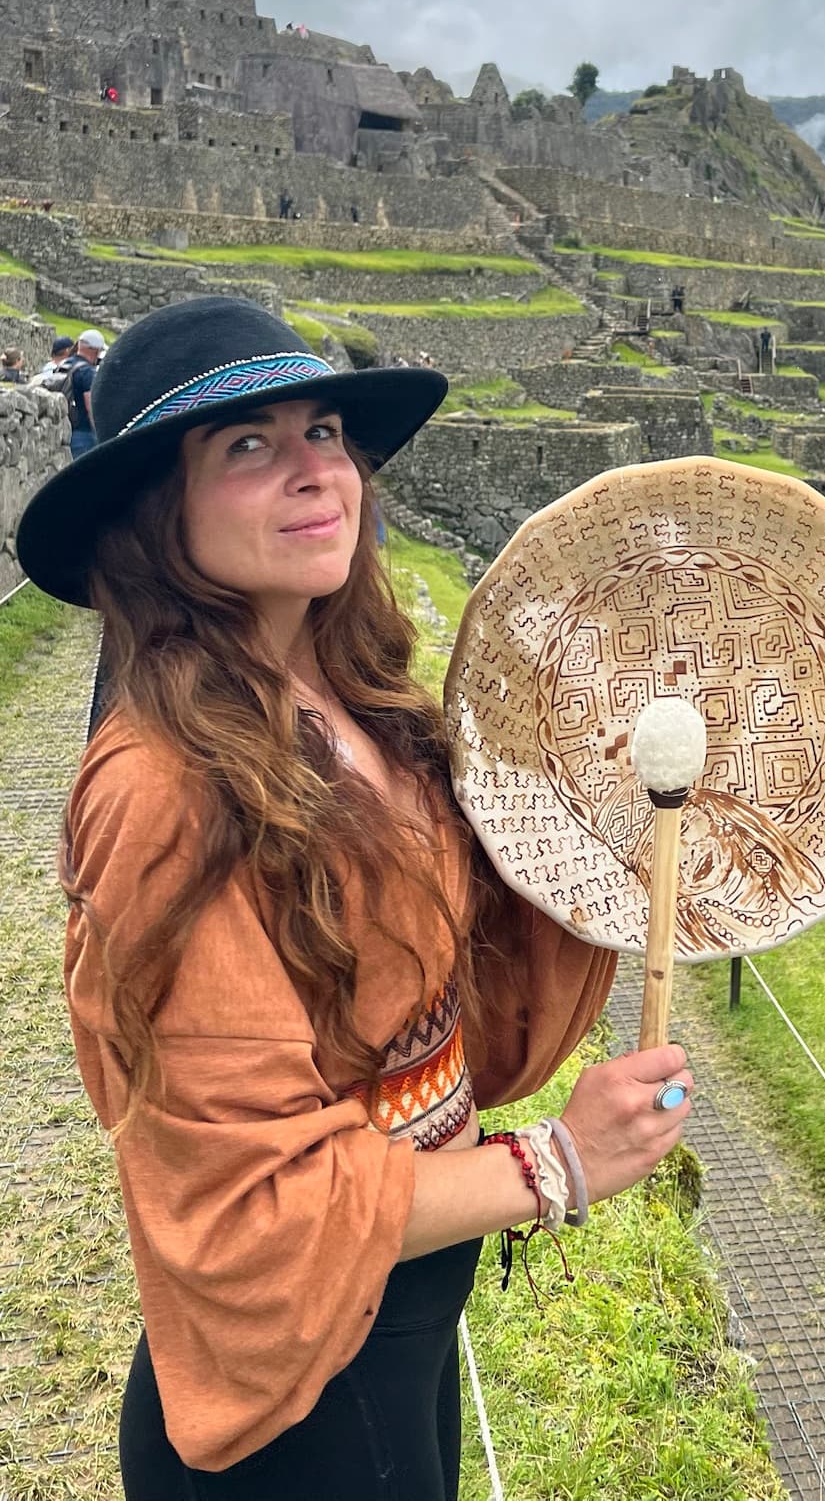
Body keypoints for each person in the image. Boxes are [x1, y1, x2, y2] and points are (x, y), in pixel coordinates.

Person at [15, 298, 691, 1497]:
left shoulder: (350, 693)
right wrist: (558, 1163)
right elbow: (246, 1204)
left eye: (324, 428)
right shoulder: (162, 789)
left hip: (404, 1315)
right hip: (300, 1405)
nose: (315, 470)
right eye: (247, 445)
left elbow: (443, 976)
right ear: (151, 513)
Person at [66, 329, 106, 457]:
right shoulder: (87, 372)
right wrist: (99, 433)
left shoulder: (64, 365)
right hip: (83, 434)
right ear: (95, 350)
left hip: (65, 429)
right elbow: (91, 406)